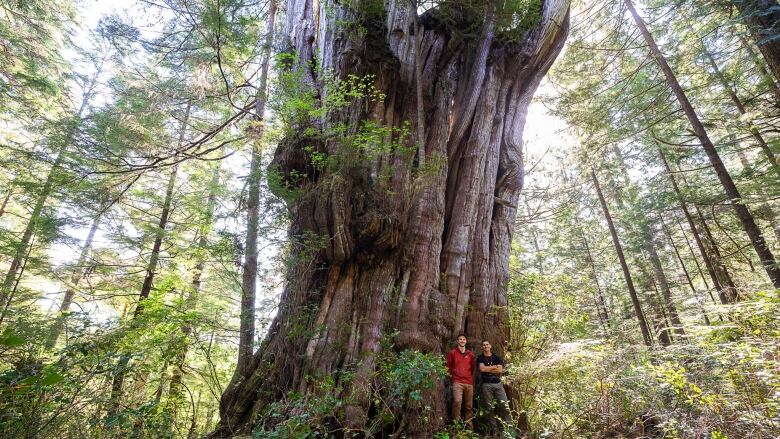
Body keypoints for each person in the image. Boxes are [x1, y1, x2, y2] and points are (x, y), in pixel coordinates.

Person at [478, 340, 512, 434]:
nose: (485, 346)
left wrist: (488, 368)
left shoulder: (496, 357)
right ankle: (495, 431)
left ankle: (509, 430)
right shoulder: (480, 358)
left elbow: (500, 370)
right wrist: (494, 367)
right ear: (482, 347)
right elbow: (482, 369)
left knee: (505, 405)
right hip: (486, 385)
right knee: (490, 408)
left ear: (490, 346)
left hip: (498, 384)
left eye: (487, 344)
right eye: (484, 345)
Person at [446, 334, 475, 427]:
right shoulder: (452, 352)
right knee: (457, 402)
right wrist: (453, 376)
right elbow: (448, 366)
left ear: (466, 341)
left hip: (469, 383)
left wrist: (468, 376)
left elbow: (473, 368)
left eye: (464, 339)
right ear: (457, 341)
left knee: (469, 405)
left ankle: (469, 426)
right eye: (460, 339)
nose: (462, 341)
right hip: (457, 381)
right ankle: (456, 425)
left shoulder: (470, 354)